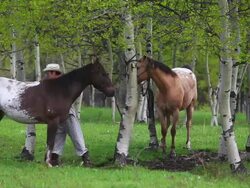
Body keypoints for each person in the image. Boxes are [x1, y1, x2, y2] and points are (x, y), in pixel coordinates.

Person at [20, 63, 91, 167]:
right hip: (56, 114)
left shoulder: (62, 83)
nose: (47, 75)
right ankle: (54, 157)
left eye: (48, 73)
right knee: (59, 133)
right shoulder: (51, 83)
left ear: (53, 72)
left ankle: (85, 156)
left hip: (68, 112)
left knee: (75, 133)